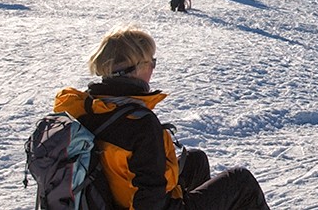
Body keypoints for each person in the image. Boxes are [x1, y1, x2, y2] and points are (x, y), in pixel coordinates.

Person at [52, 26, 270, 209]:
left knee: (195, 160)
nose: (153, 68)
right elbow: (152, 202)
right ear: (136, 69)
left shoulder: (91, 106)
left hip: (111, 197)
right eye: (151, 62)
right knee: (241, 181)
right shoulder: (139, 123)